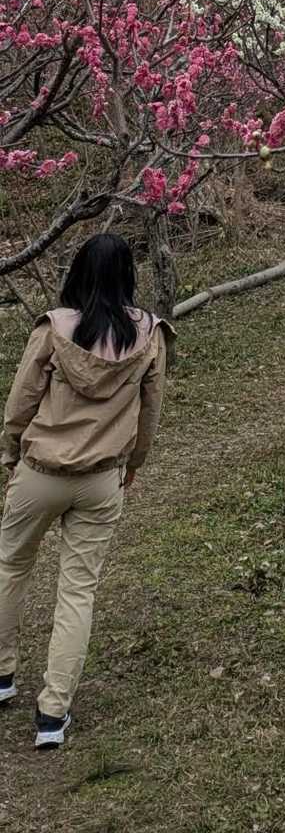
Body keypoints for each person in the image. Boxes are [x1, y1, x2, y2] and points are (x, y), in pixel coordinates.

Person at [0, 232, 173, 750]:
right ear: (128, 276)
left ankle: (2, 675)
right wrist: (133, 463)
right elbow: (151, 411)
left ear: (78, 273)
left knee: (10, 568)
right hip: (101, 480)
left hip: (40, 472)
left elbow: (20, 402)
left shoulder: (54, 328)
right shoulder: (149, 335)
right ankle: (52, 714)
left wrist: (9, 455)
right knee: (78, 591)